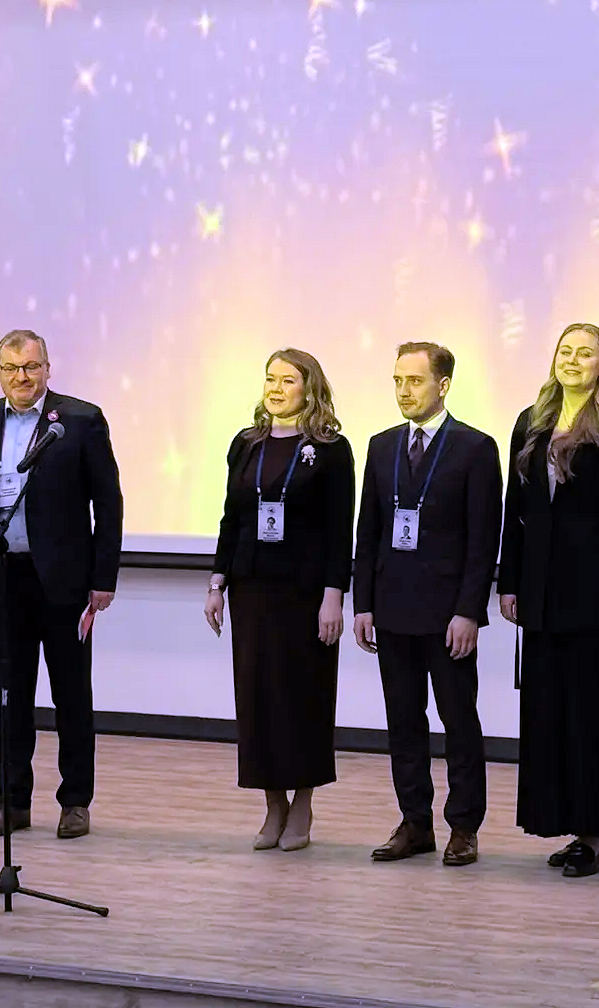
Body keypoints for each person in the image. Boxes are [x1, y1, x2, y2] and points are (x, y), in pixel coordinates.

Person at [498, 323, 599, 878]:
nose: (571, 360)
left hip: (596, 594)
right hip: (542, 593)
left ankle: (596, 831)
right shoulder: (531, 421)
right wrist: (509, 581)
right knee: (552, 715)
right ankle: (575, 826)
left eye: (583, 353)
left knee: (594, 715)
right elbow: (515, 510)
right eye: (564, 351)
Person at [0, 329, 123, 840]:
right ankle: (13, 801)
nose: (21, 377)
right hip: (3, 578)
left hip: (65, 581)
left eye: (30, 367)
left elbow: (108, 504)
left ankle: (75, 802)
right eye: (11, 368)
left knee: (72, 696)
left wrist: (103, 577)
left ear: (48, 368)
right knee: (9, 697)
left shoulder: (79, 420)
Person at [353, 342, 502, 867]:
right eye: (397, 380)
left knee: (458, 720)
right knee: (403, 721)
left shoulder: (474, 447)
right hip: (392, 607)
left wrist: (469, 611)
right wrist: (363, 604)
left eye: (414, 381)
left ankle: (464, 825)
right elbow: (368, 531)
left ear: (443, 385)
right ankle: (414, 821)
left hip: (447, 614)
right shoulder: (381, 446)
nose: (403, 391)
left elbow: (483, 540)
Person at [205, 348, 354, 852]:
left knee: (303, 698)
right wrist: (217, 583)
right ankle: (273, 805)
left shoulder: (331, 449)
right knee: (258, 699)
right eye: (270, 378)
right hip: (252, 590)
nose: (276, 388)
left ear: (309, 388)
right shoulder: (246, 443)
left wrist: (334, 596)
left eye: (288, 380)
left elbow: (339, 531)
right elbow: (231, 518)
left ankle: (303, 802)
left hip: (305, 595)